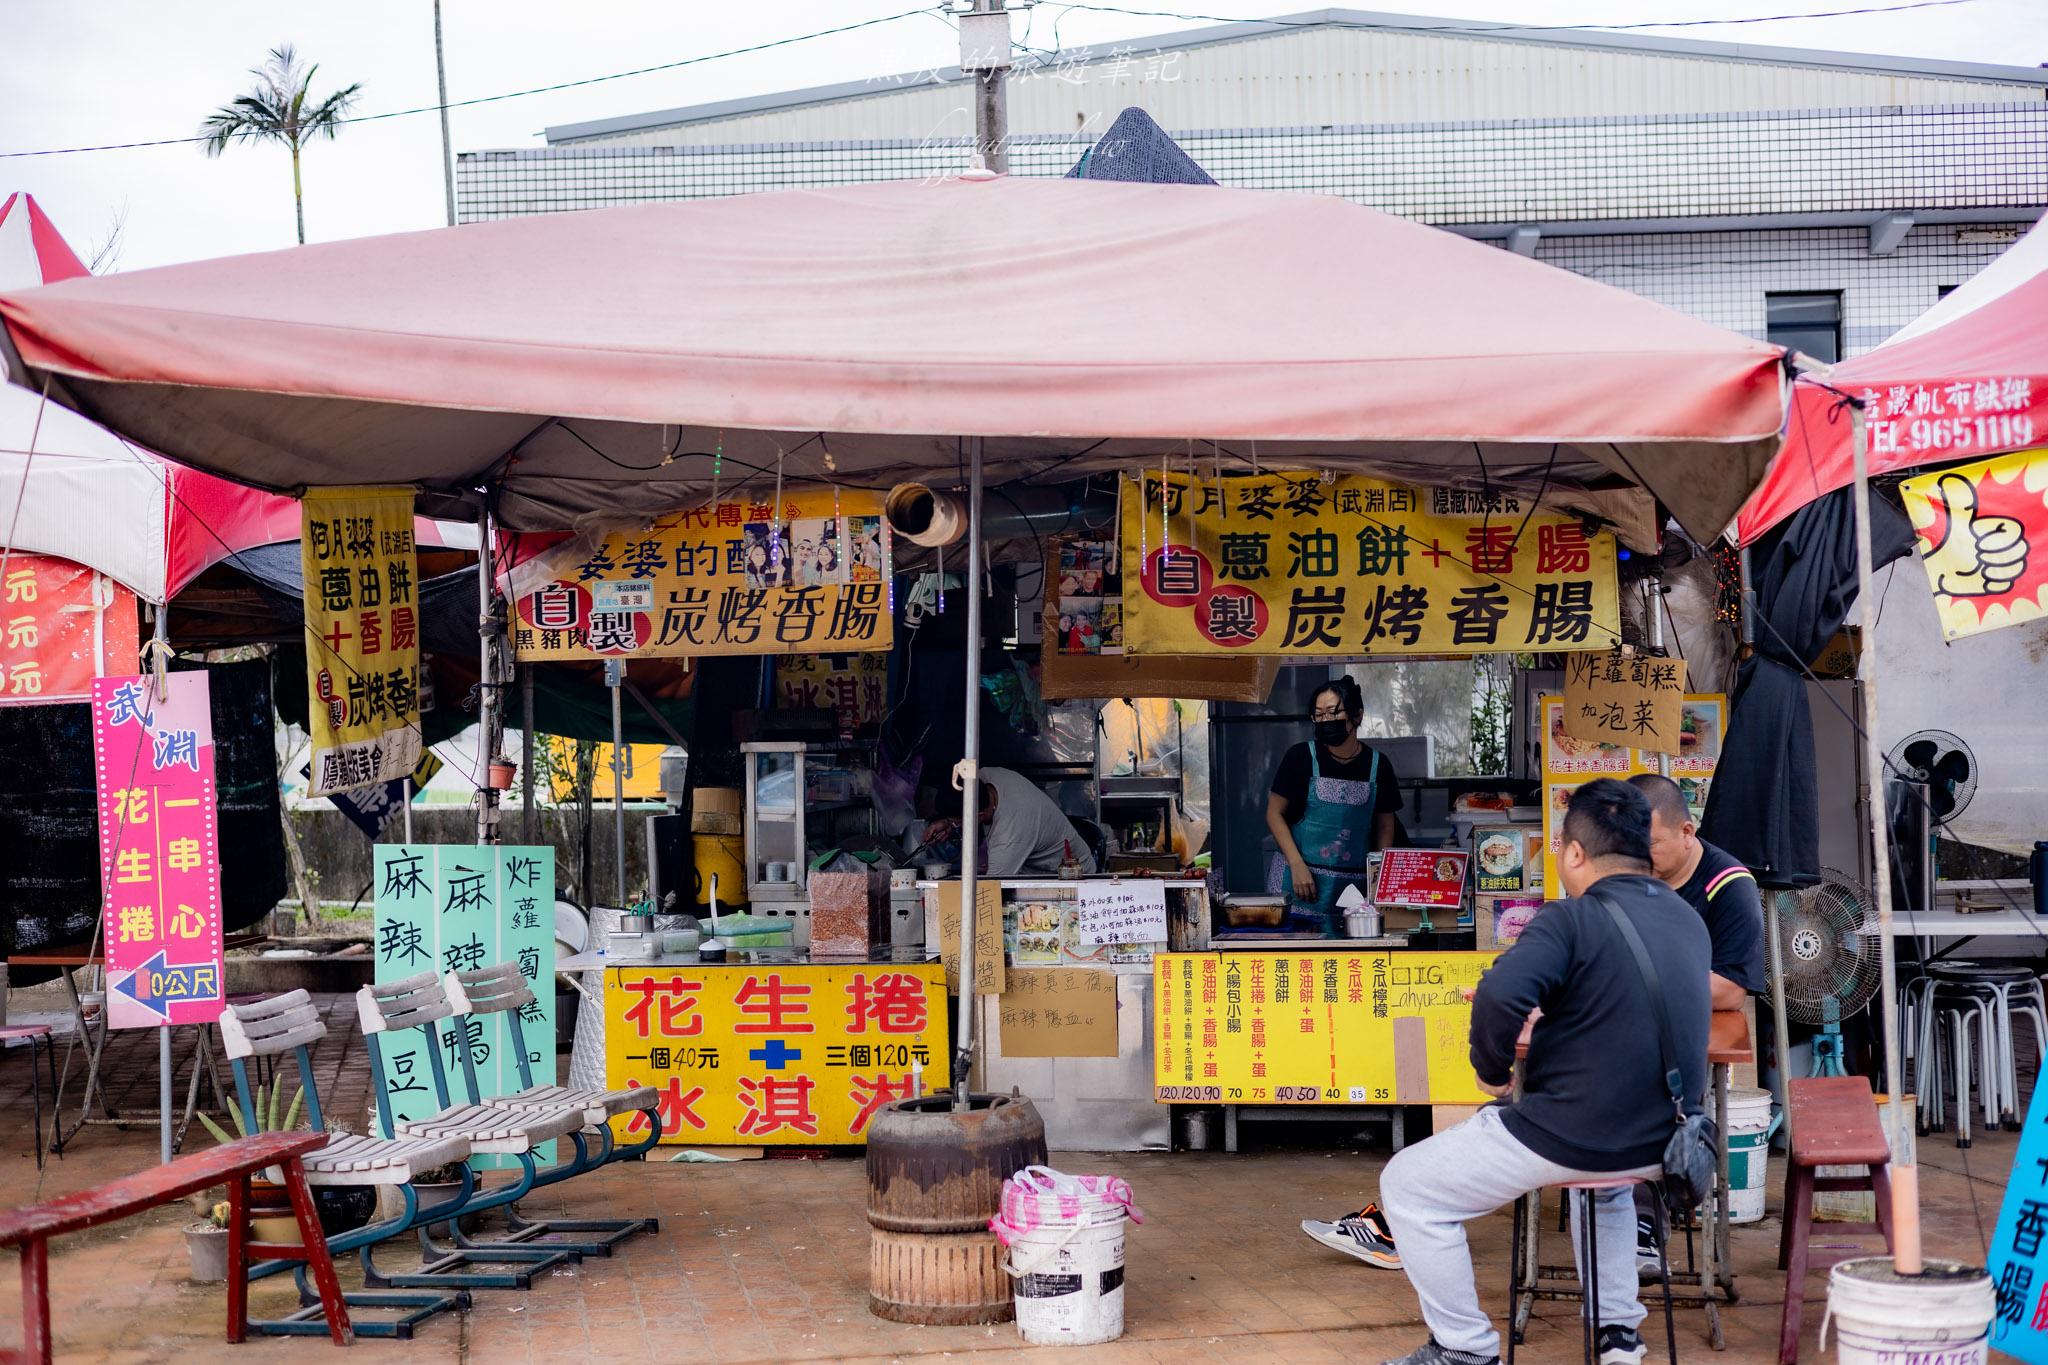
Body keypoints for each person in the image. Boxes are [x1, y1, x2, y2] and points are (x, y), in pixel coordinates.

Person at [1377, 779, 1711, 1365]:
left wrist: (1491, 1070)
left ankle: (1464, 1348)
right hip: (1666, 1139)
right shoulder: (1687, 921)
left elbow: (1500, 994)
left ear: (1575, 853)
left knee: (1409, 1186)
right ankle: (1617, 1337)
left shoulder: (1569, 918)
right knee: (1603, 1190)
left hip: (1572, 1135)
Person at [1626, 773, 1766, 1273]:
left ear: (1687, 832)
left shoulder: (1729, 886)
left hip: (1690, 1036)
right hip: (1624, 1028)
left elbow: (1731, 986)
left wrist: (1644, 984)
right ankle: (1608, 1212)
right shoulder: (1628, 878)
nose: (1642, 856)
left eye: (1653, 844)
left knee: (1654, 1098)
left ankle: (1643, 1221)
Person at [1265, 677, 1403, 937]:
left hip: (1352, 892)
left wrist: (1378, 879)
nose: (1325, 720)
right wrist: (1296, 864)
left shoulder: (1378, 765)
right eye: (1318, 715)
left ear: (1357, 715)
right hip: (1297, 883)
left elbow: (1386, 823)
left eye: (1333, 712)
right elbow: (1274, 813)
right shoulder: (1300, 757)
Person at [927, 768, 1097, 878]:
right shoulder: (985, 777)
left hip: (1070, 875)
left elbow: (991, 888)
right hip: (1032, 867)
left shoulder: (1010, 832)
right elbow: (963, 796)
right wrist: (947, 822)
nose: (955, 826)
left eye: (957, 822)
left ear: (978, 815)